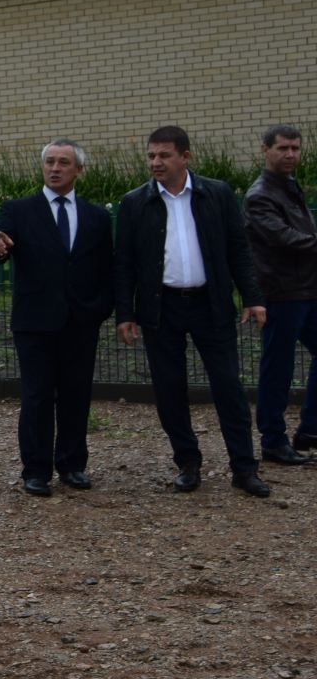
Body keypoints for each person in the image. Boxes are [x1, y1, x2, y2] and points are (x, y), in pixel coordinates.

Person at [113, 125, 270, 497]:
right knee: (169, 389)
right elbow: (124, 264)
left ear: (185, 156)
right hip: (160, 307)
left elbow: (238, 250)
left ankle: (244, 468)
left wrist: (252, 296)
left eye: (164, 155)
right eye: (151, 155)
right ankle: (187, 462)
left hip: (210, 303)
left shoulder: (215, 194)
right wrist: (125, 313)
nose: (156, 162)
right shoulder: (135, 203)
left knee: (228, 386)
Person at [0, 140, 116, 495]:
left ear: (78, 170)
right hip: (35, 321)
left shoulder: (97, 216)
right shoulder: (19, 210)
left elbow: (107, 268)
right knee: (37, 396)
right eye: (50, 162)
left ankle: (72, 465)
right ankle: (36, 470)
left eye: (63, 163)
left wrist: (101, 308)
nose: (55, 168)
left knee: (76, 394)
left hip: (81, 321)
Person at [243, 124, 317, 465]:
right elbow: (284, 238)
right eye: (283, 148)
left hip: (306, 289)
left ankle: (310, 430)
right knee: (278, 367)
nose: (290, 154)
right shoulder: (260, 195)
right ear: (265, 150)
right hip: (281, 292)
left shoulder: (288, 186)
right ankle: (273, 440)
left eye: (295, 149)